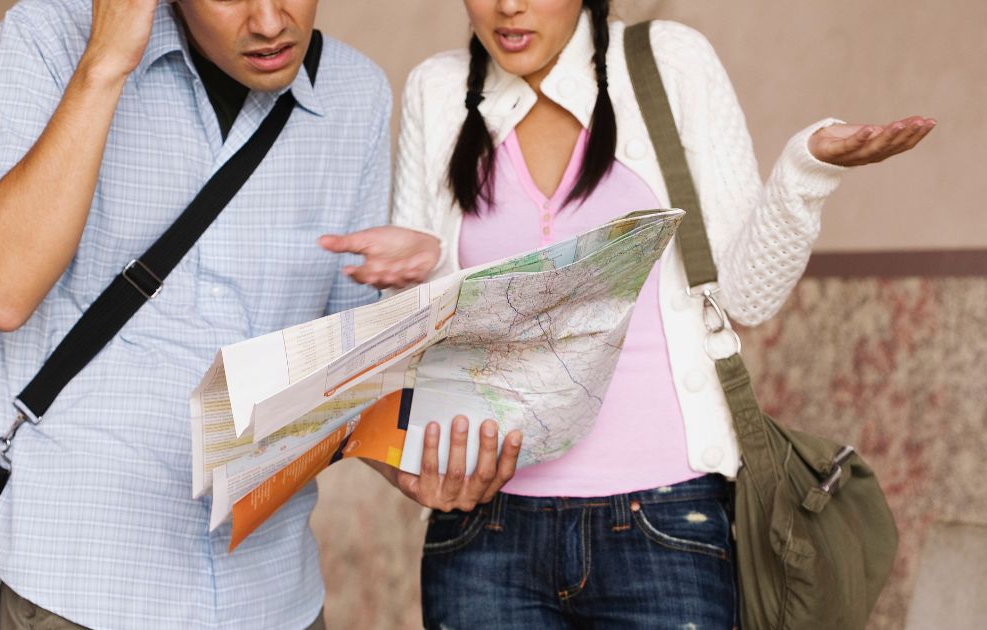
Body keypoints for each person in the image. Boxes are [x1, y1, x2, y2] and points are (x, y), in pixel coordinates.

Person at [319, 0, 934, 627]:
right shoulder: (439, 88)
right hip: (485, 529)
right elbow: (426, 340)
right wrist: (420, 269)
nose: (508, 6)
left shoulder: (668, 61)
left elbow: (749, 297)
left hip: (663, 523)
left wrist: (806, 169)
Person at [0, 0, 395, 627]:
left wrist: (414, 445)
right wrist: (104, 65)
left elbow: (350, 366)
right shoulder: (47, 37)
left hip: (271, 594)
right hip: (85, 589)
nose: (270, 22)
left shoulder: (356, 94)